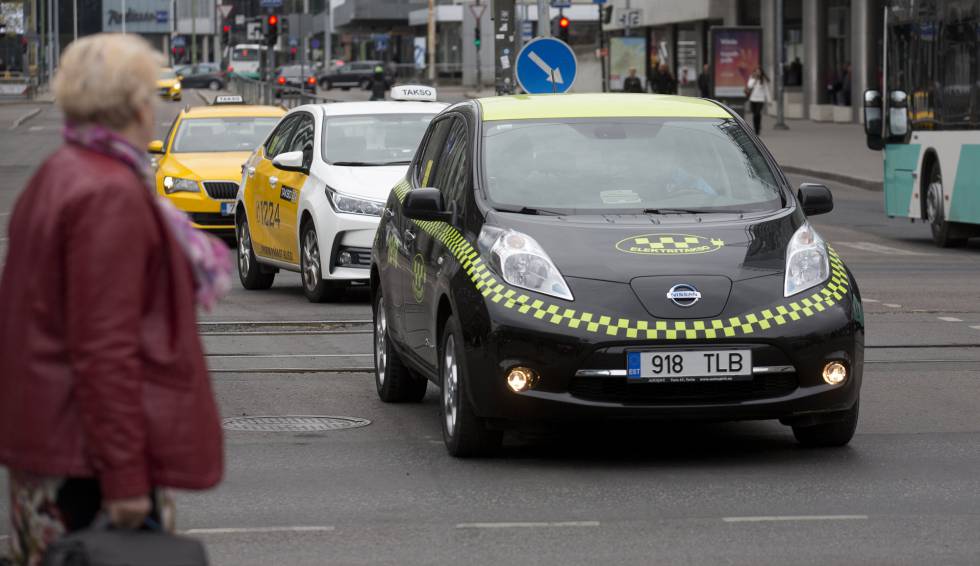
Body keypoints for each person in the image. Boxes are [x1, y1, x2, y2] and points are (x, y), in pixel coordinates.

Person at [0, 34, 230, 565]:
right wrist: (126, 478)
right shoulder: (110, 194)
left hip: (55, 449)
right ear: (134, 104)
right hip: (89, 465)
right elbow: (104, 349)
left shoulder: (59, 174)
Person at [746, 67, 770, 135]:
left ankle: (758, 127)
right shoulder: (752, 78)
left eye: (759, 71)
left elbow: (766, 90)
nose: (758, 73)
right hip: (753, 99)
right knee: (754, 114)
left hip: (760, 99)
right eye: (756, 71)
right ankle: (755, 127)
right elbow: (749, 86)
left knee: (757, 113)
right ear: (755, 72)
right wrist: (755, 80)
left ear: (761, 72)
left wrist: (769, 100)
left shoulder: (763, 80)